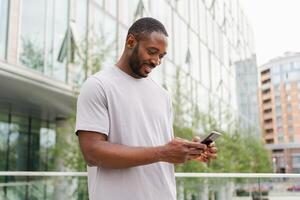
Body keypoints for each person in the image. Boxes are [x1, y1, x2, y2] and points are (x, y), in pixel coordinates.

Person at [76, 17, 217, 200]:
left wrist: (186, 152)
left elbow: (156, 147)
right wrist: (163, 152)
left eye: (161, 56)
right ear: (131, 42)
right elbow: (92, 152)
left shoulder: (163, 95)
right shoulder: (98, 85)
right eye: (152, 52)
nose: (156, 61)